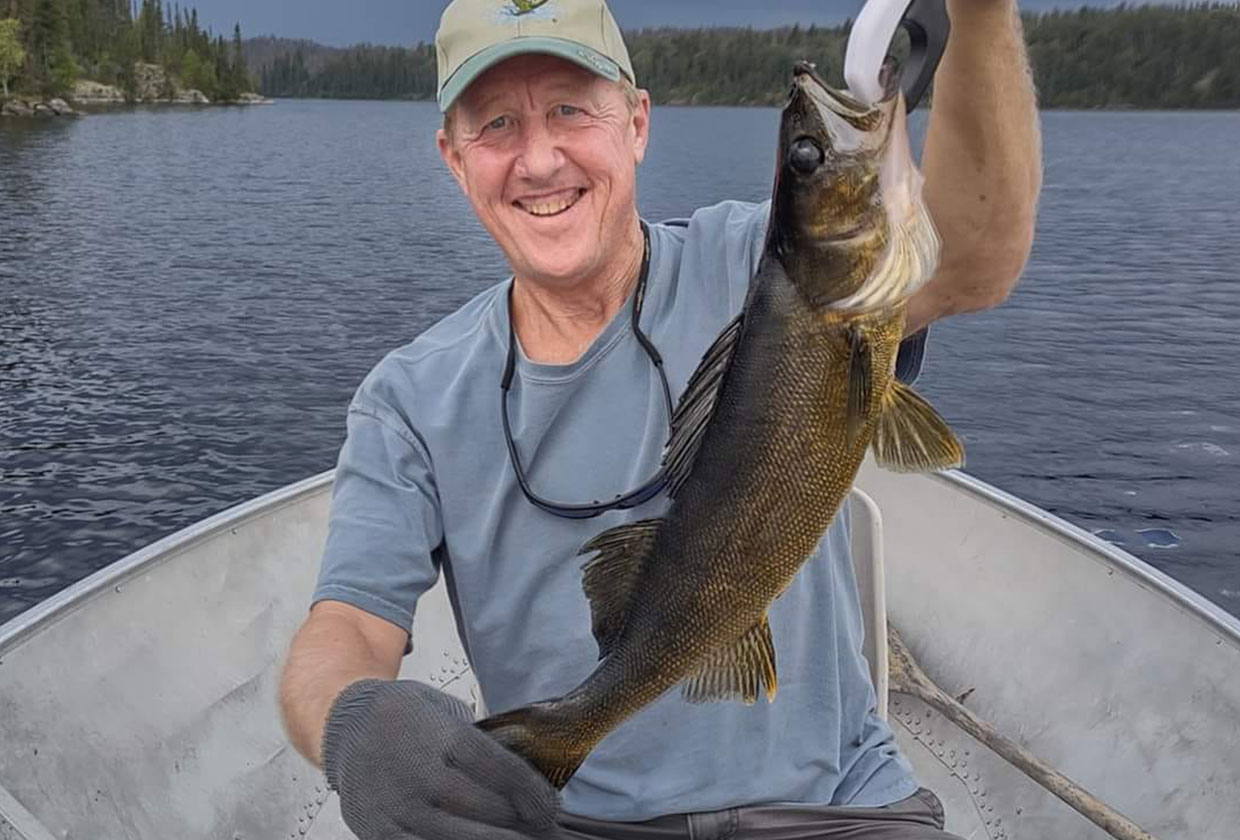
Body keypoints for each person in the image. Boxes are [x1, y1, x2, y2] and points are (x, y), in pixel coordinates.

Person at [279, 0, 1042, 838]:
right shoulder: (408, 400)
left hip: (837, 806)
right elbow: (346, 624)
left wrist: (980, 12)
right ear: (455, 161)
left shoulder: (772, 268)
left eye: (571, 109)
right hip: (571, 821)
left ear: (637, 124)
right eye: (497, 124)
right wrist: (352, 726)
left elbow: (974, 259)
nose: (539, 158)